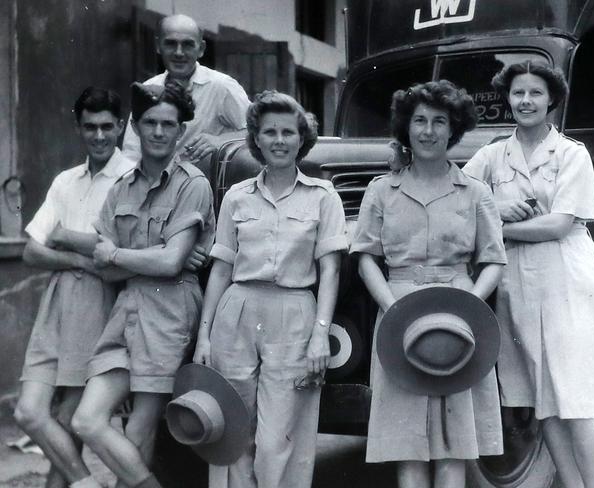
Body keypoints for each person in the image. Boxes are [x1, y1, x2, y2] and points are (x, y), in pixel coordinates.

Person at [463, 60, 594, 488]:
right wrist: (493, 201)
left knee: (575, 400)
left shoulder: (570, 154)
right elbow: (458, 196)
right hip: (518, 286)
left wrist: (496, 225)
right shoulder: (492, 155)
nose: (525, 101)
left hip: (567, 279)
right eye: (518, 93)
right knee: (542, 402)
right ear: (507, 99)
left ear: (552, 101)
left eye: (535, 93)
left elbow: (559, 223)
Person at [351, 80, 507, 488]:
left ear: (453, 130)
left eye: (440, 121)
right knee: (407, 444)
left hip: (461, 314)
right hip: (397, 311)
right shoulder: (382, 190)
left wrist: (470, 306)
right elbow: (366, 257)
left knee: (455, 445)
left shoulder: (475, 192)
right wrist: (392, 307)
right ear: (406, 127)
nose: (428, 130)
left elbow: (492, 260)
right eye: (419, 120)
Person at [193, 90, 347, 488]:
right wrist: (205, 335)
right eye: (269, 132)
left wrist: (320, 335)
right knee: (231, 425)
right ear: (256, 139)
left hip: (295, 314)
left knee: (281, 435)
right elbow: (221, 268)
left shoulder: (323, 196)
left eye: (288, 132)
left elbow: (330, 271)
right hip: (237, 311)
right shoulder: (237, 198)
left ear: (302, 139)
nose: (279, 140)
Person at [70, 80, 216, 488]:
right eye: (150, 122)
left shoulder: (193, 184)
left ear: (181, 131)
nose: (157, 132)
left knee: (140, 430)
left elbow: (169, 265)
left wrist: (122, 256)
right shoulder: (120, 190)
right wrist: (154, 259)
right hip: (127, 310)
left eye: (167, 124)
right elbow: (106, 269)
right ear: (135, 126)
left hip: (170, 311)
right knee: (88, 419)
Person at [13, 87, 134, 488]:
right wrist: (81, 257)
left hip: (100, 303)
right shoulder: (66, 181)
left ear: (119, 126)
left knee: (68, 416)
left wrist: (65, 237)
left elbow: (119, 252)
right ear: (78, 128)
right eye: (89, 127)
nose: (98, 136)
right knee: (30, 412)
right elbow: (32, 251)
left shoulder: (131, 178)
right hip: (57, 303)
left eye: (106, 127)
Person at [121, 13, 250, 164]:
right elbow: (131, 154)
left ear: (201, 48)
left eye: (188, 44)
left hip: (205, 183)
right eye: (170, 43)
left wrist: (220, 140)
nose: (179, 52)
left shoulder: (221, 86)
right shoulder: (148, 89)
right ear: (158, 46)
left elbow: (257, 130)